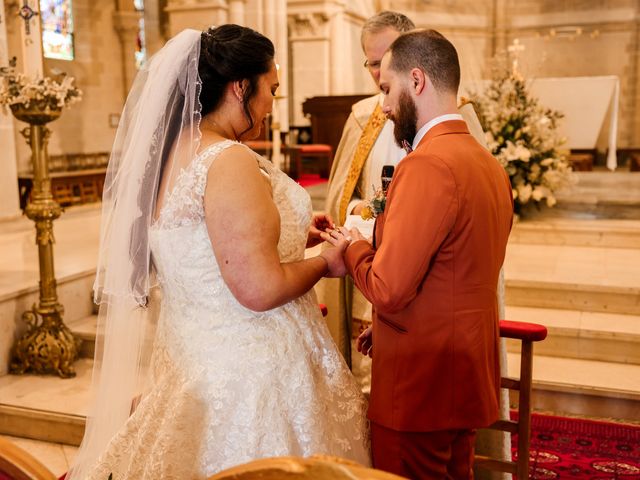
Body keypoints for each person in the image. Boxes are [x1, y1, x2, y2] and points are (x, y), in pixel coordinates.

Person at [67, 25, 369, 480]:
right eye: (271, 89)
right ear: (239, 87)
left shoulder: (173, 152)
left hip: (198, 361)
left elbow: (205, 244)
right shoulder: (228, 160)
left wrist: (294, 235)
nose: (272, 103)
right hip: (252, 374)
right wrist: (327, 263)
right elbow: (258, 288)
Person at [323, 30, 513, 479]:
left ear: (417, 80)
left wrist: (352, 246)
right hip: (463, 376)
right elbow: (455, 274)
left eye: (387, 88)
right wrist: (386, 334)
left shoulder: (427, 164)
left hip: (420, 387)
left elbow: (387, 288)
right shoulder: (489, 165)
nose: (384, 104)